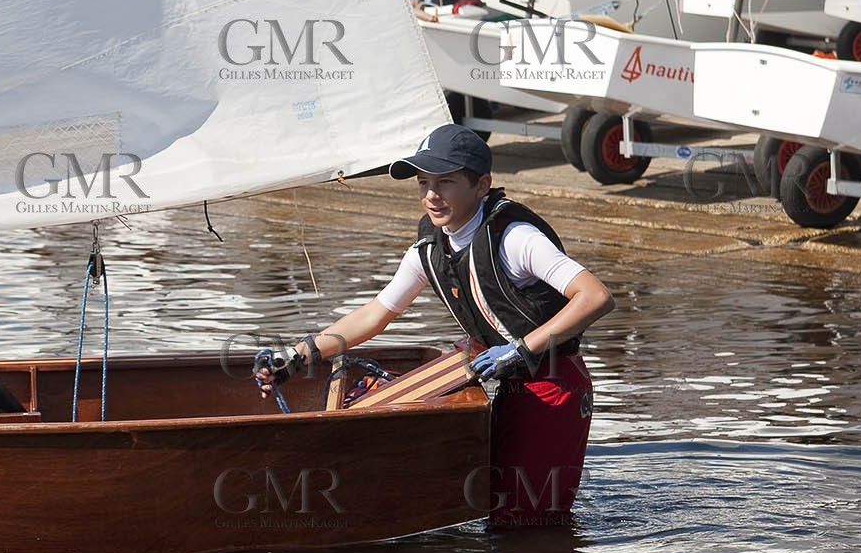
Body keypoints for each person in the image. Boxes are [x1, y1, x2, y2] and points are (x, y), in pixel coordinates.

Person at [252, 125, 615, 528]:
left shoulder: (515, 238)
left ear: (482, 185)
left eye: (446, 182)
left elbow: (596, 297)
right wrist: (299, 357)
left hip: (554, 384)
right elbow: (376, 315)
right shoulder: (429, 247)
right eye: (423, 182)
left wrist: (518, 349)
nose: (431, 195)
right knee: (495, 511)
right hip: (507, 380)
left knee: (529, 522)